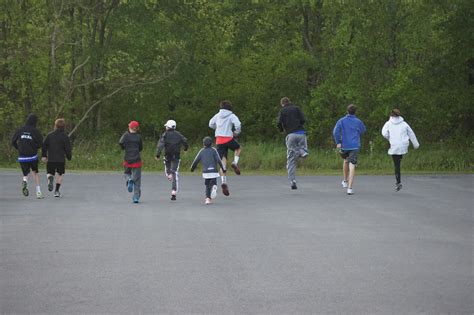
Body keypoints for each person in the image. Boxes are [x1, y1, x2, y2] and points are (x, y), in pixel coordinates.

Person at [209, 100, 241, 196]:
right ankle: (235, 162)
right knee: (238, 148)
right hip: (228, 138)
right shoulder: (232, 116)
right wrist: (236, 132)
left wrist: (217, 128)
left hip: (219, 140)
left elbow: (210, 124)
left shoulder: (217, 115)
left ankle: (223, 182)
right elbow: (238, 125)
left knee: (223, 163)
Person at [382, 108, 420, 191]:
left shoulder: (388, 123)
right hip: (403, 145)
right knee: (399, 158)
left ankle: (398, 182)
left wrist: (389, 138)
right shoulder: (404, 124)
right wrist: (416, 144)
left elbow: (384, 133)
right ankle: (398, 180)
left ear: (391, 115)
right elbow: (411, 133)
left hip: (394, 146)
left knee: (397, 165)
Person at [333, 104, 366, 195]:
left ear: (347, 111)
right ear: (355, 112)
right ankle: (350, 188)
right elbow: (363, 130)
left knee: (345, 160)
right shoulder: (358, 121)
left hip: (344, 145)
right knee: (352, 165)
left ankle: (345, 180)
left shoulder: (341, 120)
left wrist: (338, 142)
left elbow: (335, 131)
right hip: (354, 145)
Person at [277, 97, 309, 190]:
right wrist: (299, 124)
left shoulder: (282, 111)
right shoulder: (296, 108)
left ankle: (292, 180)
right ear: (289, 102)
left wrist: (282, 130)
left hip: (290, 135)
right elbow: (303, 119)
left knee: (291, 159)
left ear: (282, 104)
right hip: (301, 133)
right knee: (303, 148)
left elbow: (279, 123)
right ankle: (302, 152)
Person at [11, 113, 44, 198]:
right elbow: (41, 144)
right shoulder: (35, 131)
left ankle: (25, 181)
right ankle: (38, 192)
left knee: (26, 173)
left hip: (22, 156)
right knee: (35, 172)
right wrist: (35, 147)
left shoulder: (20, 130)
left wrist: (18, 148)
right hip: (32, 156)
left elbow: (13, 141)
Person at [155, 119, 189, 201]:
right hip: (176, 156)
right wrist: (185, 149)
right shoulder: (178, 134)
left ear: (168, 127)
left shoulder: (165, 134)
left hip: (168, 156)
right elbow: (185, 141)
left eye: (166, 126)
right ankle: (174, 191)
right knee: (175, 173)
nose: (165, 127)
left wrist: (158, 154)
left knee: (168, 171)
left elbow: (160, 145)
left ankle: (169, 174)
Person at [190, 136, 226, 205]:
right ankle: (214, 187)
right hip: (214, 171)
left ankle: (207, 199)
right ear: (211, 143)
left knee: (207, 186)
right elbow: (219, 160)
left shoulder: (202, 151)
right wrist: (223, 168)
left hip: (206, 172)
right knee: (213, 182)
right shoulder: (214, 150)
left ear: (203, 144)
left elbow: (196, 160)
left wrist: (192, 168)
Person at [41, 118, 72, 197]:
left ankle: (50, 180)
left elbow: (44, 146)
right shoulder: (65, 137)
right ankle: (57, 191)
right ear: (64, 127)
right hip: (60, 159)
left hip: (51, 159)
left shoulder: (49, 135)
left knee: (49, 173)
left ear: (55, 126)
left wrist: (44, 155)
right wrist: (69, 156)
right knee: (59, 174)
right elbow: (68, 148)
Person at [119, 121, 143, 203]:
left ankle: (129, 179)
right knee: (137, 180)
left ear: (130, 127)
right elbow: (141, 147)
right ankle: (136, 196)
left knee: (126, 173)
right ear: (137, 129)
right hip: (136, 159)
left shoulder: (126, 135)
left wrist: (124, 147)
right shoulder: (139, 137)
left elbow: (121, 142)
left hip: (128, 158)